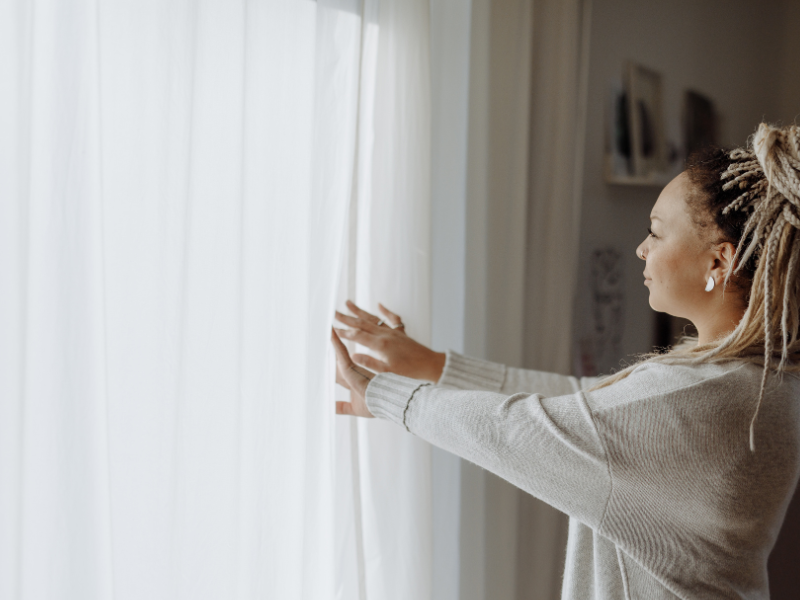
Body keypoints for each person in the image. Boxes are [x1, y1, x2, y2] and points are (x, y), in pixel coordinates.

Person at [330, 122, 800, 599]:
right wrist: (433, 366)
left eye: (656, 233)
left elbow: (520, 430)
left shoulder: (702, 397)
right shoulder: (763, 378)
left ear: (718, 261)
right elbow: (590, 403)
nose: (642, 249)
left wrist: (386, 395)